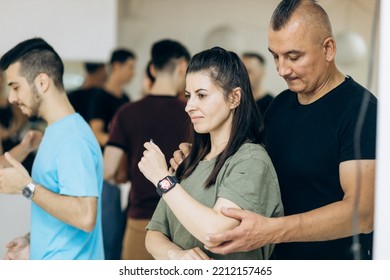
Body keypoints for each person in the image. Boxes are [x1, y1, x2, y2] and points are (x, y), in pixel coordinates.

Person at [186, 0, 376, 260]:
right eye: (275, 56)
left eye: (294, 57)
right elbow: (249, 163)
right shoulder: (280, 105)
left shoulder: (362, 111)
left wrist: (273, 231)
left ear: (329, 48)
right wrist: (202, 157)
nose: (282, 69)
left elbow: (362, 213)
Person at [139, 46, 283, 260]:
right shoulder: (189, 160)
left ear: (234, 98)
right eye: (188, 96)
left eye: (202, 95)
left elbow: (215, 232)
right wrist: (177, 256)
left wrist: (163, 179)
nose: (189, 106)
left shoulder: (251, 160)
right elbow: (154, 233)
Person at [0, 37, 104, 260]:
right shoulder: (55, 132)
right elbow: (61, 208)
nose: (11, 98)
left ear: (42, 82)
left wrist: (25, 186)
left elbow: (85, 216)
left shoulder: (72, 138)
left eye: (15, 87)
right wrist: (32, 240)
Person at [104, 39, 191, 260]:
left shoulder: (127, 112)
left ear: (152, 68)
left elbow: (108, 170)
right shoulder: (192, 114)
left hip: (140, 220)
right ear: (182, 67)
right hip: (184, 220)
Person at [88, 48, 136, 260]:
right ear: (116, 66)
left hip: (122, 174)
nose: (132, 73)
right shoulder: (99, 97)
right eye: (130, 67)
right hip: (104, 173)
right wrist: (120, 142)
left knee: (118, 232)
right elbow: (95, 132)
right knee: (108, 232)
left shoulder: (125, 98)